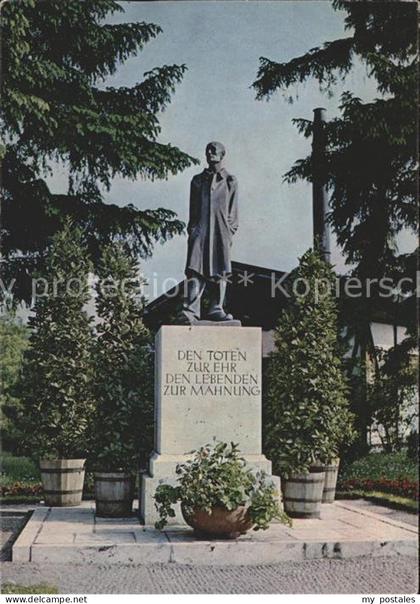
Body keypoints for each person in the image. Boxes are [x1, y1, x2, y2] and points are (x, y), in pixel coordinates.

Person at [180, 141, 238, 323]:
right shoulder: (197, 180)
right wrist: (193, 231)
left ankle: (216, 308)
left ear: (222, 154)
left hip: (221, 231)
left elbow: (233, 212)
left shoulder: (230, 181)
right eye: (208, 150)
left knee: (220, 269)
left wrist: (229, 231)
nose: (210, 153)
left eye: (214, 150)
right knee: (195, 269)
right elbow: (193, 210)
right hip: (201, 231)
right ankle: (191, 310)